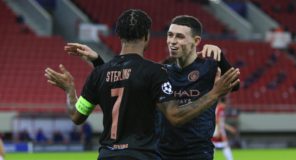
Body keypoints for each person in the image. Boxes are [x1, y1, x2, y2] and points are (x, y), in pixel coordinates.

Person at [45, 9, 240, 160]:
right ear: (147, 36)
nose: (172, 41)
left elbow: (79, 113)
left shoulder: (100, 74)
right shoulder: (157, 71)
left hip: (112, 154)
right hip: (150, 154)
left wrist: (72, 88)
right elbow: (170, 112)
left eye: (179, 36)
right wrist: (215, 93)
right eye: (170, 35)